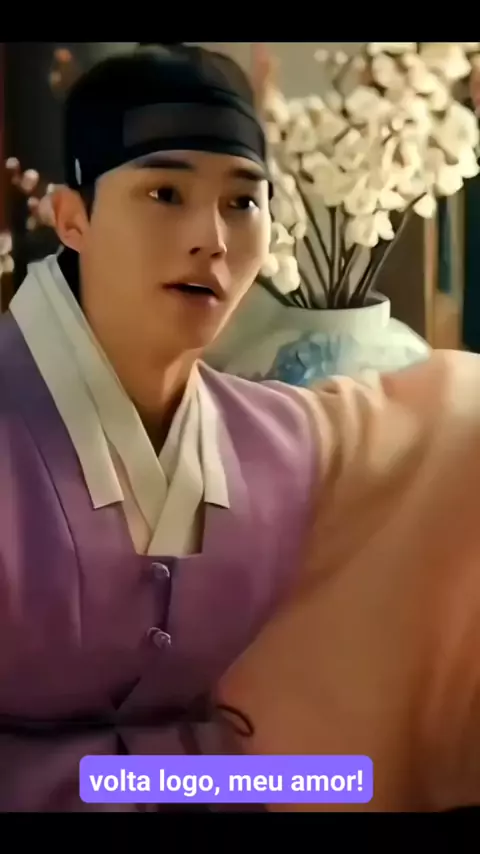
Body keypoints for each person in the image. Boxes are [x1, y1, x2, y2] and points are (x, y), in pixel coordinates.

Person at [0, 42, 479, 814]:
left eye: (243, 202)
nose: (213, 239)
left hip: (211, 792)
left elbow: (430, 441)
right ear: (73, 217)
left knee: (341, 782)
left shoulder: (269, 443)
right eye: (165, 193)